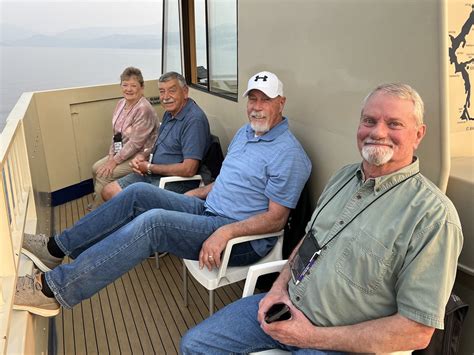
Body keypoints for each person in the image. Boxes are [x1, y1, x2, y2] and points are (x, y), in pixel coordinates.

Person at [180, 83, 464, 354]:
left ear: (418, 134)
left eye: (394, 124)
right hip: (286, 305)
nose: (377, 132)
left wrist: (310, 336)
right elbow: (308, 241)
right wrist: (278, 290)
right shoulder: (343, 177)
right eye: (369, 120)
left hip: (337, 344)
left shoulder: (432, 216)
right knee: (194, 345)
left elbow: (415, 331)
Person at [14, 71, 312, 318]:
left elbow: (275, 220)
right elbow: (227, 181)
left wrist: (225, 232)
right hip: (208, 210)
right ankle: (55, 248)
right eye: (253, 99)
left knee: (153, 224)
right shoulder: (246, 134)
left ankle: (54, 290)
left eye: (266, 100)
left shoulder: (289, 154)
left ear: (281, 103)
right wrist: (199, 193)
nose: (256, 106)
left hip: (240, 237)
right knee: (138, 193)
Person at [101, 71, 212, 202]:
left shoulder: (194, 120)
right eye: (162, 91)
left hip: (175, 181)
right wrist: (143, 156)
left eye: (172, 91)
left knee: (128, 200)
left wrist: (149, 168)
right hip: (153, 172)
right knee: (108, 191)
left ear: (185, 92)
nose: (165, 97)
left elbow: (189, 169)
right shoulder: (169, 113)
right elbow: (158, 143)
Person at [90, 66, 159, 209]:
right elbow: (117, 134)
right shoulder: (121, 103)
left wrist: (114, 162)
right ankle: (103, 202)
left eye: (133, 85)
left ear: (142, 87)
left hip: (140, 156)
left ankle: (97, 214)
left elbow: (135, 144)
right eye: (125, 85)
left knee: (104, 175)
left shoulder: (143, 109)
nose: (128, 89)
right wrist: (111, 157)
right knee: (96, 168)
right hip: (124, 154)